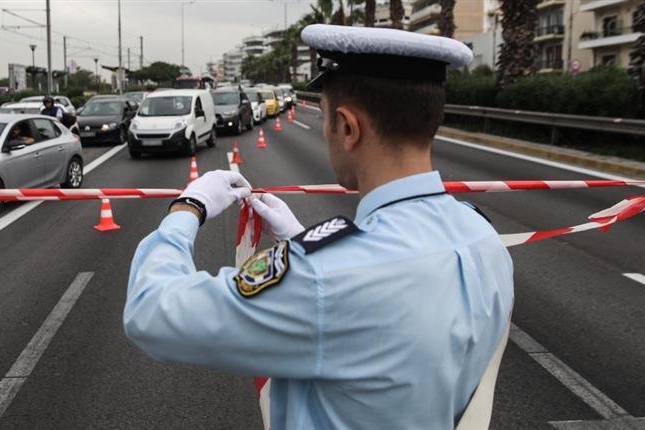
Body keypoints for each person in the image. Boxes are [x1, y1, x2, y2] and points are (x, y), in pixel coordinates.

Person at [124, 24, 514, 430]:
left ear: (348, 128)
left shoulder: (324, 277)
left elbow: (153, 313)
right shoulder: (482, 237)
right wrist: (299, 241)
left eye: (327, 121)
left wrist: (188, 208)